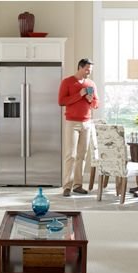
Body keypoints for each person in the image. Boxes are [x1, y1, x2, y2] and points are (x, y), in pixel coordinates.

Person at [58, 58, 99, 197]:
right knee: (71, 155)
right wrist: (79, 95)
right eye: (87, 69)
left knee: (82, 155)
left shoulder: (91, 84)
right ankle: (67, 187)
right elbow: (61, 101)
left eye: (90, 70)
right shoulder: (67, 82)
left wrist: (90, 99)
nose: (89, 72)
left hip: (87, 123)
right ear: (80, 67)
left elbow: (96, 105)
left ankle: (78, 185)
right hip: (72, 123)